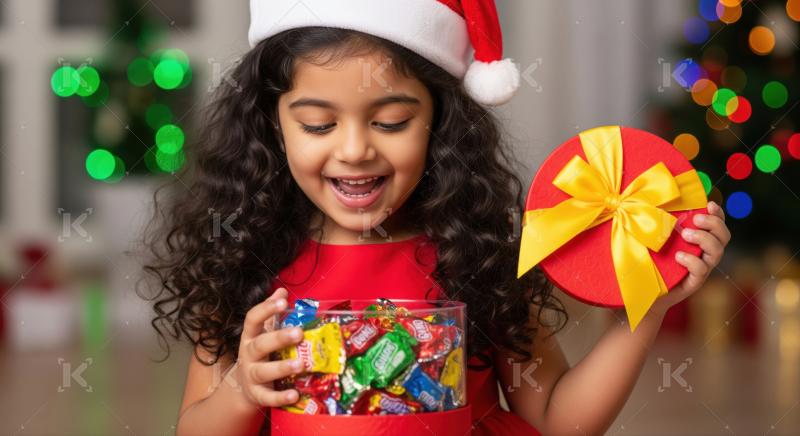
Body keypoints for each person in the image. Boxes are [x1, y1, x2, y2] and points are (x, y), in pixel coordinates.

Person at [140, 1, 731, 434]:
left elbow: (559, 420)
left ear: (439, 124)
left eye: (391, 122)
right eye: (318, 125)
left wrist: (647, 307)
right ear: (272, 126)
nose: (353, 150)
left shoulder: (475, 255)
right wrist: (244, 388)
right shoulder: (246, 261)